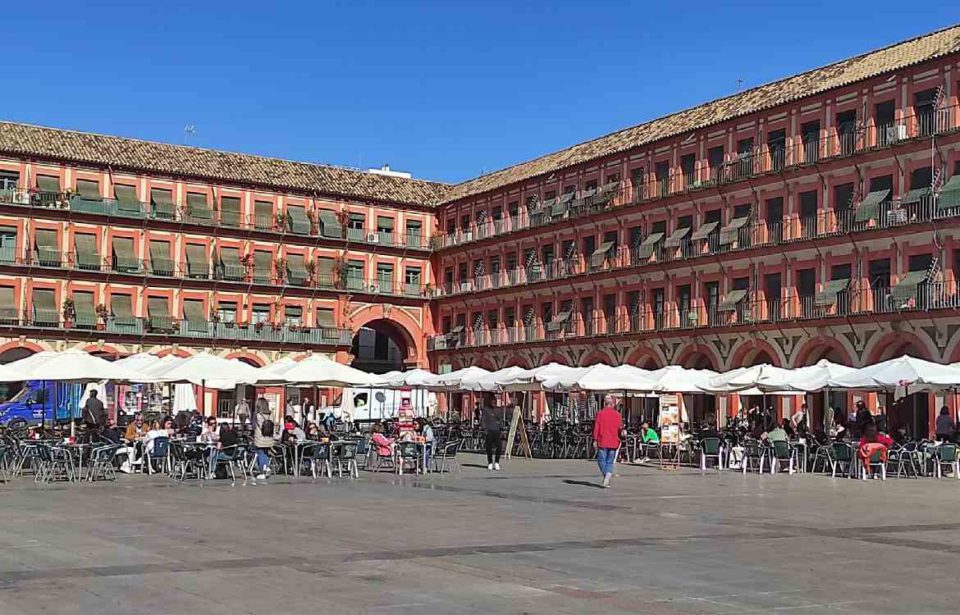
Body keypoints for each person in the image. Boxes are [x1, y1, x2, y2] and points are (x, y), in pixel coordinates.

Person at [593, 395, 622, 488]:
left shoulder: (600, 413)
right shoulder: (618, 415)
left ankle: (606, 474)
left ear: (604, 403)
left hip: (603, 439)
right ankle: (608, 474)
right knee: (610, 461)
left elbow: (596, 427)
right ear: (612, 404)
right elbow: (620, 428)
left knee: (601, 460)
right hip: (614, 441)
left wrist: (595, 439)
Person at [253, 398, 275, 480]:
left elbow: (255, 425)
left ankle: (262, 471)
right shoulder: (271, 414)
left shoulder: (257, 414)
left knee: (261, 453)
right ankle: (266, 467)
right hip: (269, 437)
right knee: (265, 453)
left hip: (260, 437)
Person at [479, 393, 503, 471]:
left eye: (495, 401)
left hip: (496, 430)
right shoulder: (486, 409)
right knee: (488, 447)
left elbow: (501, 419)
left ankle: (496, 462)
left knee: (499, 447)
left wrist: (501, 426)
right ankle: (490, 462)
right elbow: (483, 420)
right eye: (492, 401)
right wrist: (484, 429)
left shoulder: (498, 410)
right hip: (489, 430)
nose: (494, 402)